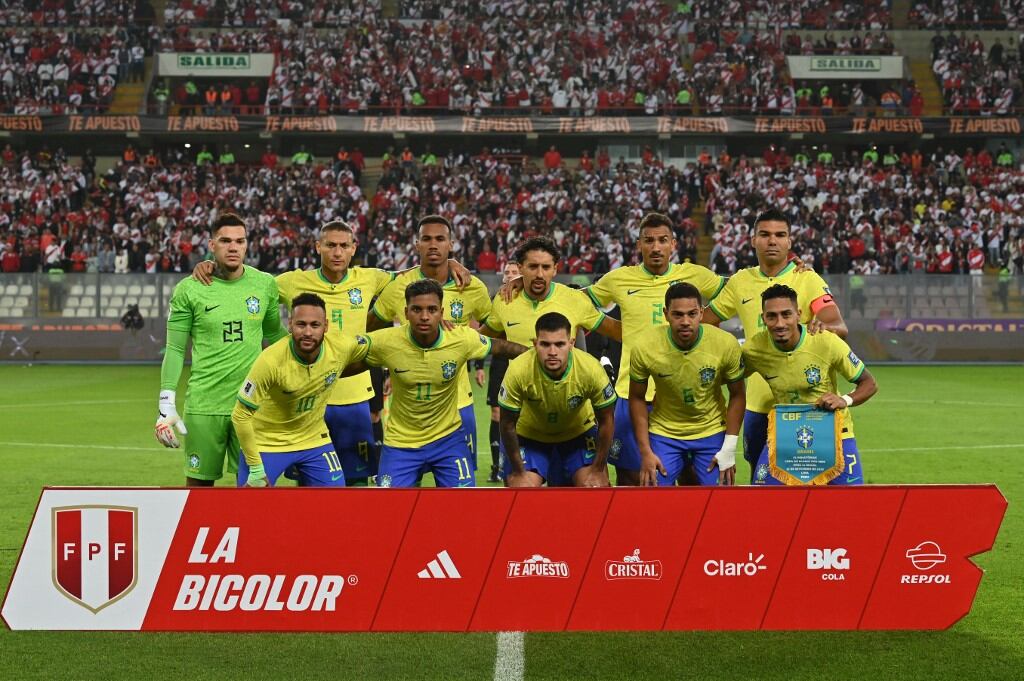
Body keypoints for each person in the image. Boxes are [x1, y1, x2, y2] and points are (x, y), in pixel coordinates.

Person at [192, 219, 473, 485]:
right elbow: (247, 282)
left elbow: (414, 274)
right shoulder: (292, 281)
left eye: (343, 246)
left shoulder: (370, 278)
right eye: (330, 245)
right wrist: (211, 265)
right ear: (318, 247)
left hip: (353, 395)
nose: (337, 252)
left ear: (353, 249)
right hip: (306, 394)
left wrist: (448, 262)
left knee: (357, 479)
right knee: (307, 477)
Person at [704, 208, 847, 482]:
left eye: (780, 235)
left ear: (790, 241)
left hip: (806, 404)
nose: (773, 241)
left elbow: (837, 324)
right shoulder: (740, 282)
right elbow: (706, 322)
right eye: (765, 235)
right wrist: (730, 350)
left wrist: (822, 326)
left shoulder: (807, 279)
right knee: (763, 487)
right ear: (753, 240)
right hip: (757, 403)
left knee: (811, 479)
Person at [585, 212, 725, 486]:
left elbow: (737, 292)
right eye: (649, 241)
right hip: (631, 392)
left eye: (663, 240)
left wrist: (706, 322)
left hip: (681, 394)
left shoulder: (694, 275)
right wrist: (613, 328)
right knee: (631, 476)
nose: (656, 247)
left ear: (674, 244)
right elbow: (578, 300)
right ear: (639, 245)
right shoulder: (619, 279)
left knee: (691, 477)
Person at [353, 280, 527, 487]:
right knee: (391, 511)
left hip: (448, 440)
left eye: (432, 310)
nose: (425, 316)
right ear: (406, 312)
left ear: (442, 312)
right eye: (417, 309)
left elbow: (501, 347)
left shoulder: (460, 338)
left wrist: (537, 357)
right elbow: (347, 359)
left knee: (462, 510)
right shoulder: (386, 341)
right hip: (401, 443)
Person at [155, 213, 287, 486]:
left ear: (247, 245)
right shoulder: (189, 290)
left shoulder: (264, 284)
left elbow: (275, 335)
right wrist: (166, 401)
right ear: (212, 244)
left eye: (240, 241)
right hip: (204, 405)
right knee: (199, 489)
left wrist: (318, 355)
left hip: (251, 405)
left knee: (256, 487)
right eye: (225, 240)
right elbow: (176, 348)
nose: (233, 247)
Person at [368, 214, 490, 462]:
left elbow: (495, 327)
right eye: (426, 239)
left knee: (460, 494)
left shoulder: (472, 286)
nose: (433, 244)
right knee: (401, 492)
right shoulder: (398, 287)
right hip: (408, 413)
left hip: (458, 404)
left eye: (440, 239)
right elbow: (369, 329)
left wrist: (466, 341)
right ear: (417, 244)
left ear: (451, 244)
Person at [742, 285, 877, 486]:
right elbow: (727, 378)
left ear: (798, 314)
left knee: (851, 506)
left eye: (786, 314)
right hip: (784, 436)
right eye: (772, 316)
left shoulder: (825, 341)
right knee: (763, 503)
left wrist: (844, 400)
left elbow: (869, 383)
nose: (779, 323)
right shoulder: (754, 349)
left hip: (834, 435)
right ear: (763, 318)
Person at [232, 293, 369, 487]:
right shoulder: (270, 360)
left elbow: (377, 344)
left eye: (315, 325)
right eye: (301, 324)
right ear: (290, 324)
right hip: (267, 443)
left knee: (337, 503)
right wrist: (255, 468)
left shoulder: (340, 347)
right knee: (248, 508)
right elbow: (240, 415)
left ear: (326, 326)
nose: (307, 332)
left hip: (314, 440)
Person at [629, 283, 745, 487]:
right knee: (650, 490)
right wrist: (646, 452)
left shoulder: (725, 344)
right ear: (666, 314)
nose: (685, 321)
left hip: (711, 430)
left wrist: (729, 447)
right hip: (665, 432)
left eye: (692, 314)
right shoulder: (644, 347)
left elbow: (737, 395)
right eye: (677, 315)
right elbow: (637, 398)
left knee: (722, 497)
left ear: (701, 313)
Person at [497, 312, 617, 488]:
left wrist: (598, 469)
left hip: (578, 433)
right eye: (545, 344)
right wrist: (519, 471)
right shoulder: (518, 370)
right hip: (530, 435)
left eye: (559, 344)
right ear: (535, 344)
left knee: (594, 488)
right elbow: (507, 424)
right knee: (522, 490)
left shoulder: (590, 369)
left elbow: (607, 420)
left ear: (571, 344)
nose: (552, 352)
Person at [483, 236, 621, 348]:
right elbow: (479, 339)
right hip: (520, 382)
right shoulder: (505, 300)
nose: (540, 274)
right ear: (521, 268)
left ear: (555, 269)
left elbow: (618, 331)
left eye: (546, 267)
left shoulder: (574, 299)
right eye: (533, 267)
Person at [485, 261, 520, 482]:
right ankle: (497, 465)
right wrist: (479, 367)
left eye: (514, 272)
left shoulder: (529, 299)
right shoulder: (496, 300)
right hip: (500, 362)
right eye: (507, 272)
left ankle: (518, 461)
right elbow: (485, 331)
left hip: (521, 363)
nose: (510, 276)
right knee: (497, 413)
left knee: (520, 415)